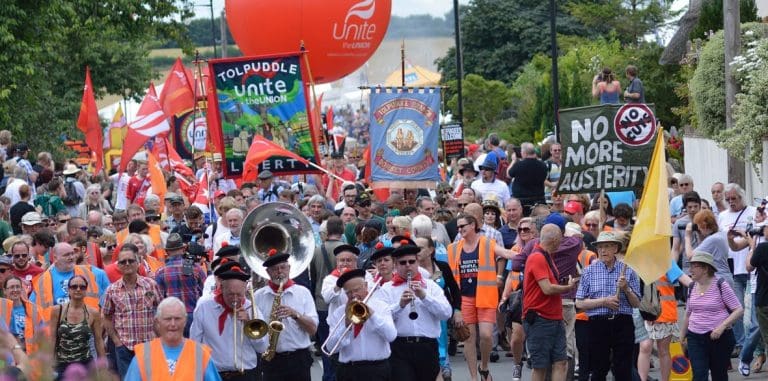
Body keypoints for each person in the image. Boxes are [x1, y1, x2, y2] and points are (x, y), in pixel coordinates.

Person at [378, 244, 453, 381]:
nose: (408, 266)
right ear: (395, 265)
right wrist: (400, 305)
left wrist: (424, 296)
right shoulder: (387, 289)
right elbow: (381, 318)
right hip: (399, 347)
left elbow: (446, 313)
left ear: (417, 262)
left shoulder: (430, 286)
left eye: (411, 262)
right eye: (403, 263)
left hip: (427, 346)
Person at [575, 231, 641, 381]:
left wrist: (626, 289)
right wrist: (604, 301)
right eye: (600, 247)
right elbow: (579, 303)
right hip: (598, 323)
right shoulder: (589, 271)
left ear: (615, 249)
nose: (603, 250)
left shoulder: (628, 270)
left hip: (622, 322)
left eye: (607, 246)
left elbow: (636, 303)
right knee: (599, 368)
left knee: (623, 369)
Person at [190, 262, 267, 380]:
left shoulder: (251, 308)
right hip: (215, 375)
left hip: (247, 374)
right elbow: (194, 344)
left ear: (244, 291)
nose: (235, 299)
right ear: (222, 288)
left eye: (239, 295)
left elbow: (262, 348)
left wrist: (249, 322)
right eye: (230, 294)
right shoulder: (205, 307)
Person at [521, 224, 579, 381]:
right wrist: (567, 287)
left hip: (554, 318)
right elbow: (546, 288)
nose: (561, 243)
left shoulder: (547, 257)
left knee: (561, 362)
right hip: (540, 319)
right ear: (554, 239)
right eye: (560, 239)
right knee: (540, 366)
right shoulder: (537, 257)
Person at [253, 250, 318, 381]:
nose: (279, 272)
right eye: (274, 269)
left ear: (289, 268)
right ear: (268, 273)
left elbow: (313, 329)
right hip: (271, 360)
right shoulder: (259, 296)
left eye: (283, 267)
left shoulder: (303, 292)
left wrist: (296, 315)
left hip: (298, 359)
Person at [102, 243, 163, 378]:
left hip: (149, 345)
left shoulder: (151, 285)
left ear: (138, 262)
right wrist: (116, 341)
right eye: (123, 261)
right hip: (125, 347)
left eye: (131, 260)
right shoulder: (111, 290)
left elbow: (161, 312)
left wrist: (160, 338)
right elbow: (106, 317)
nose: (127, 264)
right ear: (118, 266)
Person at [324, 269, 397, 381]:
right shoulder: (339, 313)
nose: (353, 295)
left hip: (377, 369)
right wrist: (346, 325)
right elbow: (330, 348)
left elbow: (391, 336)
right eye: (348, 292)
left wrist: (371, 314)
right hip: (349, 371)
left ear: (366, 286)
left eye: (357, 290)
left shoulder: (381, 307)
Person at [126, 297, 221, 381]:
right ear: (158, 322)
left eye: (177, 318)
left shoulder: (201, 354)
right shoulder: (143, 355)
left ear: (185, 321)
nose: (173, 324)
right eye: (168, 319)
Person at [682, 252, 743, 381]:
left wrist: (722, 326)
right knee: (699, 375)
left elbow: (738, 309)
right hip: (695, 337)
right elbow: (688, 313)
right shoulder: (692, 287)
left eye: (694, 266)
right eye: (690, 266)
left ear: (705, 269)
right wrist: (682, 337)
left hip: (719, 338)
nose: (690, 269)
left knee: (719, 375)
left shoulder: (721, 284)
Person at [415, 235, 461, 381]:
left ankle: (445, 366)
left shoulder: (442, 267)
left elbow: (454, 290)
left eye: (420, 248)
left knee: (441, 340)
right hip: (420, 315)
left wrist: (458, 310)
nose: (416, 252)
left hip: (440, 313)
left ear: (431, 250)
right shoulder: (411, 269)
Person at [50, 275, 105, 379]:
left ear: (86, 290)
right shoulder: (58, 310)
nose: (78, 289)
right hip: (62, 364)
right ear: (68, 289)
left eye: (82, 287)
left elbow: (98, 340)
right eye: (74, 287)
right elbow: (52, 338)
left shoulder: (93, 313)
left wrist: (103, 366)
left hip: (85, 364)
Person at [155, 233, 207, 337]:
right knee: (194, 349)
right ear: (183, 249)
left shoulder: (161, 272)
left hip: (172, 319)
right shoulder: (195, 268)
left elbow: (158, 299)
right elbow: (205, 292)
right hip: (193, 316)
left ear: (167, 252)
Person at [31, 242, 100, 309]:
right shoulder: (43, 280)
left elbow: (102, 301)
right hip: (56, 319)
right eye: (66, 255)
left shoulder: (88, 273)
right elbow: (32, 308)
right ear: (55, 258)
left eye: (72, 254)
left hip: (85, 319)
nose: (71, 257)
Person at [3, 276, 45, 353]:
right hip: (8, 357)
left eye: (18, 287)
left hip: (30, 356)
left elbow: (43, 335)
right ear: (5, 291)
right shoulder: (1, 308)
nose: (15, 290)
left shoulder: (35, 309)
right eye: (12, 287)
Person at [507, 143, 548, 215]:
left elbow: (508, 175)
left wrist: (513, 160)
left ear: (524, 153)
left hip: (522, 202)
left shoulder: (519, 165)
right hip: (539, 201)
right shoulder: (543, 165)